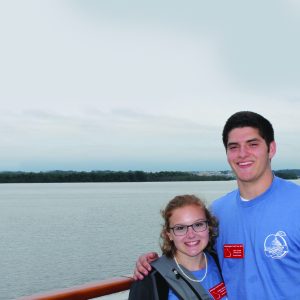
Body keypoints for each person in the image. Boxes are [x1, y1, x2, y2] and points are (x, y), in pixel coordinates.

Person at [133, 111, 300, 299]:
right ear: (227, 154)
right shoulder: (217, 212)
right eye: (234, 147)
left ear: (271, 148)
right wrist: (152, 264)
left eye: (253, 144)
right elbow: (191, 252)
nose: (243, 154)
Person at [129, 194, 227, 300]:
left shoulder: (222, 262)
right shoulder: (151, 279)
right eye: (180, 228)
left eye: (198, 225)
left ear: (209, 227)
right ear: (169, 234)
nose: (191, 235)